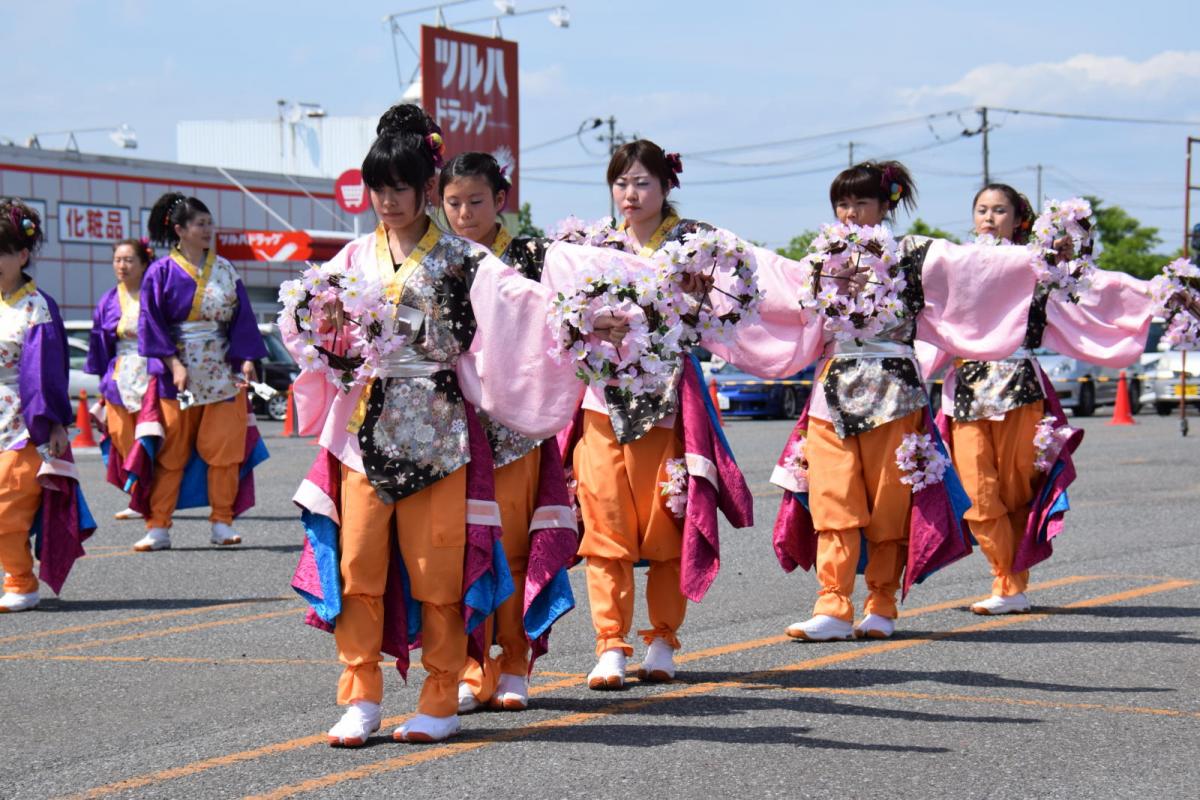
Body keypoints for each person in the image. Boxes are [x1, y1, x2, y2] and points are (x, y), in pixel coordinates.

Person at [284, 104, 641, 745]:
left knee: (439, 572)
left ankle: (440, 696)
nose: (387, 201)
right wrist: (322, 334)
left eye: (400, 188)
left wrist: (588, 321)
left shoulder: (462, 258)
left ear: (425, 188)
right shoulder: (353, 255)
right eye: (378, 188)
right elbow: (308, 322)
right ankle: (360, 695)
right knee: (359, 566)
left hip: (442, 432)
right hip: (364, 433)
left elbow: (523, 306)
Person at [761, 162, 1058, 642]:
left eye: (861, 201)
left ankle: (880, 603)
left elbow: (979, 269)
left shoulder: (917, 254)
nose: (850, 212)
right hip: (831, 391)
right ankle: (832, 608)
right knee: (833, 502)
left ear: (887, 205)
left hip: (894, 392)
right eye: (842, 202)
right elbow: (776, 284)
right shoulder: (821, 255)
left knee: (888, 509)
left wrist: (1046, 256)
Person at [558, 140, 753, 690]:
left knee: (668, 523)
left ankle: (663, 638)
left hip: (667, 404)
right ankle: (610, 644)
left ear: (666, 187)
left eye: (642, 182)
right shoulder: (592, 246)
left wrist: (697, 298)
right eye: (621, 183)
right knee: (603, 527)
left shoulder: (696, 245)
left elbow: (728, 308)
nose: (630, 194)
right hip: (601, 403)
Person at [932, 184, 1158, 614]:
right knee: (976, 494)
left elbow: (1097, 289)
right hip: (966, 389)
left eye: (999, 210)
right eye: (981, 209)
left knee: (1018, 492)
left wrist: (1159, 293)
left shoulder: (1040, 264)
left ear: (1019, 220)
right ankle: (1005, 578)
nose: (988, 217)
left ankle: (1010, 587)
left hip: (1019, 385)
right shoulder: (957, 264)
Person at [439, 152, 576, 714]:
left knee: (514, 547)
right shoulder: (436, 257)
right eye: (453, 203)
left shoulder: (535, 257)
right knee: (460, 550)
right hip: (449, 425)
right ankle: (473, 668)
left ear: (501, 200)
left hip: (516, 423)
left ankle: (515, 660)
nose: (465, 214)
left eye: (476, 201)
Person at [136, 192, 268, 551]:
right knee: (171, 452)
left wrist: (247, 358)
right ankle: (159, 526)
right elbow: (151, 323)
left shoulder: (225, 268)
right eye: (201, 224)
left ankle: (222, 521)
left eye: (210, 223)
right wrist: (173, 363)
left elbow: (242, 318)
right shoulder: (159, 272)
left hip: (223, 372)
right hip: (176, 374)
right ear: (180, 230)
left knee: (225, 451)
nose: (208, 230)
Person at [0, 199, 95, 612]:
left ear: (22, 255)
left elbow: (46, 373)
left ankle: (22, 581)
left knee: (6, 506)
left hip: (21, 425)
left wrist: (55, 423)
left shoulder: (36, 307)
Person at [86, 239, 159, 520]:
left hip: (151, 372)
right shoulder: (108, 300)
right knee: (121, 436)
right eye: (118, 259)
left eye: (129, 260)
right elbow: (100, 341)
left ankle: (152, 496)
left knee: (149, 438)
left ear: (144, 263)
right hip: (119, 375)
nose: (122, 265)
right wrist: (103, 379)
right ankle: (137, 496)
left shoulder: (154, 296)